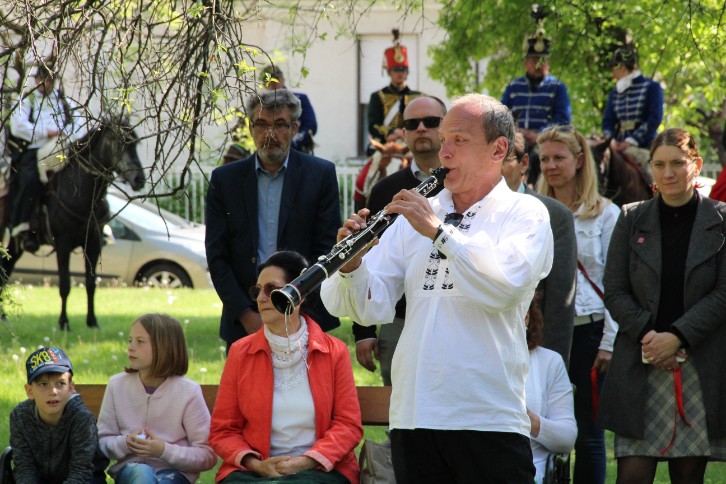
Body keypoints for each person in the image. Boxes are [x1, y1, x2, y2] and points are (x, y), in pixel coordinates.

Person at [322, 93, 554, 483]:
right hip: (414, 415)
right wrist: (352, 266)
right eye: (444, 140)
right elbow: (367, 307)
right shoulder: (419, 214)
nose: (443, 153)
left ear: (498, 149)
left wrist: (438, 233)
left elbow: (504, 287)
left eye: (459, 140)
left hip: (488, 417)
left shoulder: (525, 213)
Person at [598, 128, 726, 483]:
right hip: (641, 362)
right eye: (659, 164)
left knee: (688, 477)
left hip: (698, 364)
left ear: (696, 164)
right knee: (632, 477)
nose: (668, 173)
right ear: (651, 168)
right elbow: (615, 290)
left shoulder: (721, 219)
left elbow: (723, 293)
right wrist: (650, 337)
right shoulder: (631, 217)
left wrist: (678, 337)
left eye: (677, 163)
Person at [209, 250, 363, 483]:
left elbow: (348, 425)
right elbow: (223, 430)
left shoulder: (334, 352)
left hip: (319, 470)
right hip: (254, 471)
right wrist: (257, 465)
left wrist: (305, 462)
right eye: (257, 291)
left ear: (299, 293)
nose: (261, 298)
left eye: (271, 289)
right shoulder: (240, 352)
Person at [205, 88, 341, 352]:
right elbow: (217, 255)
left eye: (279, 124)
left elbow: (327, 251)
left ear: (294, 128)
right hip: (244, 321)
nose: (270, 134)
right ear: (250, 128)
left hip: (305, 316)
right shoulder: (225, 181)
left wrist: (295, 308)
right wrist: (246, 314)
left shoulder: (320, 175)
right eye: (261, 124)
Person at [536, 124, 620, 484]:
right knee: (544, 426)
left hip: (589, 332)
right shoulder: (533, 210)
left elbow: (615, 282)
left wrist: (609, 342)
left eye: (559, 157)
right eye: (544, 159)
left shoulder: (606, 214)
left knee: (587, 433)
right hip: (543, 332)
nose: (550, 166)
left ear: (580, 160)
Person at [353, 95, 446, 384]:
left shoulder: (463, 184)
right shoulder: (385, 189)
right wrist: (364, 331)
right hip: (398, 319)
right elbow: (367, 257)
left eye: (431, 122)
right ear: (403, 133)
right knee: (397, 402)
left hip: (453, 316)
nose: (421, 128)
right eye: (412, 124)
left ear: (446, 128)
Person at [97, 313, 217, 483]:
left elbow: (207, 454)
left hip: (174, 475)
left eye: (140, 341)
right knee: (141, 473)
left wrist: (164, 451)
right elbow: (102, 441)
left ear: (164, 347)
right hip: (132, 472)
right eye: (130, 340)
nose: (131, 347)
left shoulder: (188, 391)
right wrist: (125, 443)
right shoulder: (117, 385)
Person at [502, 131, 577, 365]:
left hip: (532, 352)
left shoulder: (555, 215)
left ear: (524, 163)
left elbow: (560, 305)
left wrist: (550, 367)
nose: (494, 170)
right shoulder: (467, 211)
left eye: (503, 160)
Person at [8, 64, 86, 253]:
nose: (45, 83)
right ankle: (22, 227)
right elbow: (18, 127)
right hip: (35, 149)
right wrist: (46, 133)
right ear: (36, 80)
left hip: (62, 149)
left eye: (49, 80)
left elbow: (79, 126)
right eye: (41, 79)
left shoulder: (65, 102)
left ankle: (93, 224)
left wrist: (63, 135)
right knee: (28, 180)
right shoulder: (27, 100)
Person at [9, 346, 108, 483]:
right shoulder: (20, 416)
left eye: (60, 383)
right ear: (30, 391)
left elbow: (81, 471)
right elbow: (24, 466)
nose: (53, 392)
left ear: (71, 388)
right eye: (43, 384)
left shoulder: (81, 419)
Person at [501, 6, 571, 186]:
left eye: (542, 60)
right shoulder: (513, 87)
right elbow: (502, 114)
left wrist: (539, 133)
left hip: (546, 140)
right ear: (526, 62)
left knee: (538, 156)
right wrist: (517, 132)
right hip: (517, 138)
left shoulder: (557, 87)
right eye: (534, 60)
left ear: (548, 62)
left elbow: (563, 119)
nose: (538, 64)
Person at [524, 293, 577, 483]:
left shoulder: (549, 361)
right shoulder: (470, 362)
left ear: (527, 317)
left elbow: (567, 438)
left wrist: (526, 418)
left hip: (532, 470)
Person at [602, 45, 664, 177]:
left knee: (651, 175)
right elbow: (608, 121)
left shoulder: (651, 87)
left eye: (614, 68)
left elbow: (654, 119)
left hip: (644, 145)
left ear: (622, 67)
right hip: (616, 145)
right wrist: (611, 141)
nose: (612, 73)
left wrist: (631, 141)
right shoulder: (614, 92)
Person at [366, 29, 421, 155]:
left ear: (407, 72)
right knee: (373, 160)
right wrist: (392, 132)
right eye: (396, 70)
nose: (400, 73)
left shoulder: (417, 97)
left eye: (403, 70)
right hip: (386, 142)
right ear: (389, 72)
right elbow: (373, 126)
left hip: (410, 143)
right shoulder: (377, 96)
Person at [260, 65, 318, 154]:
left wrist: (293, 141)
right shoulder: (260, 103)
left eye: (276, 78)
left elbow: (311, 126)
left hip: (298, 151)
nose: (273, 82)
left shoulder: (299, 99)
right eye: (268, 80)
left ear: (282, 79)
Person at [353, 127, 409, 212]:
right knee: (362, 180)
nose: (397, 139)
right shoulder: (380, 151)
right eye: (395, 136)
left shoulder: (408, 151)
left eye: (400, 137)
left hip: (404, 155)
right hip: (383, 153)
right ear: (387, 137)